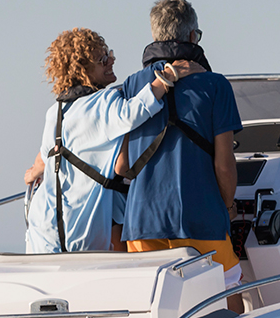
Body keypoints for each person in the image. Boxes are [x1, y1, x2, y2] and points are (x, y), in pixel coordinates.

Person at [116, 0, 243, 310]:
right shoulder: (215, 85)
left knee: (158, 306)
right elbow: (224, 165)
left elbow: (122, 165)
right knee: (229, 296)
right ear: (192, 36)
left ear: (155, 35)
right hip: (201, 215)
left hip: (142, 220)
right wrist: (228, 206)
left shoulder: (132, 85)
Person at [24, 28, 192, 254]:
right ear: (83, 70)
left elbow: (46, 155)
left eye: (109, 54)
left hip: (41, 230)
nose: (112, 60)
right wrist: (170, 74)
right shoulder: (103, 102)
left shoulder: (55, 111)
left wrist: (34, 172)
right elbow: (136, 111)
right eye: (103, 59)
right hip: (80, 234)